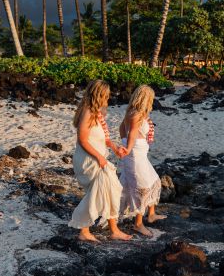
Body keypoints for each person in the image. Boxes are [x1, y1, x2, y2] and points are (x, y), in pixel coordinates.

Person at [69, 79, 131, 242]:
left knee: (111, 190)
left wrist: (115, 148)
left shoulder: (97, 112)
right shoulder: (88, 112)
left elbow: (103, 138)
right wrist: (100, 158)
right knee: (97, 193)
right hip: (89, 160)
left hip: (98, 158)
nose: (108, 98)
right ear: (99, 95)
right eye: (106, 95)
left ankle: (114, 229)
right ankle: (84, 230)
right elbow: (82, 140)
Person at [119, 85, 166, 237]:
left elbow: (122, 129)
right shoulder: (136, 114)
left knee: (154, 180)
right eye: (151, 98)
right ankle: (138, 224)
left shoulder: (134, 113)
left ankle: (151, 214)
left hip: (140, 153)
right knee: (142, 188)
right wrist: (128, 147)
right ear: (145, 99)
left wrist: (126, 142)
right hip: (135, 155)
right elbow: (131, 133)